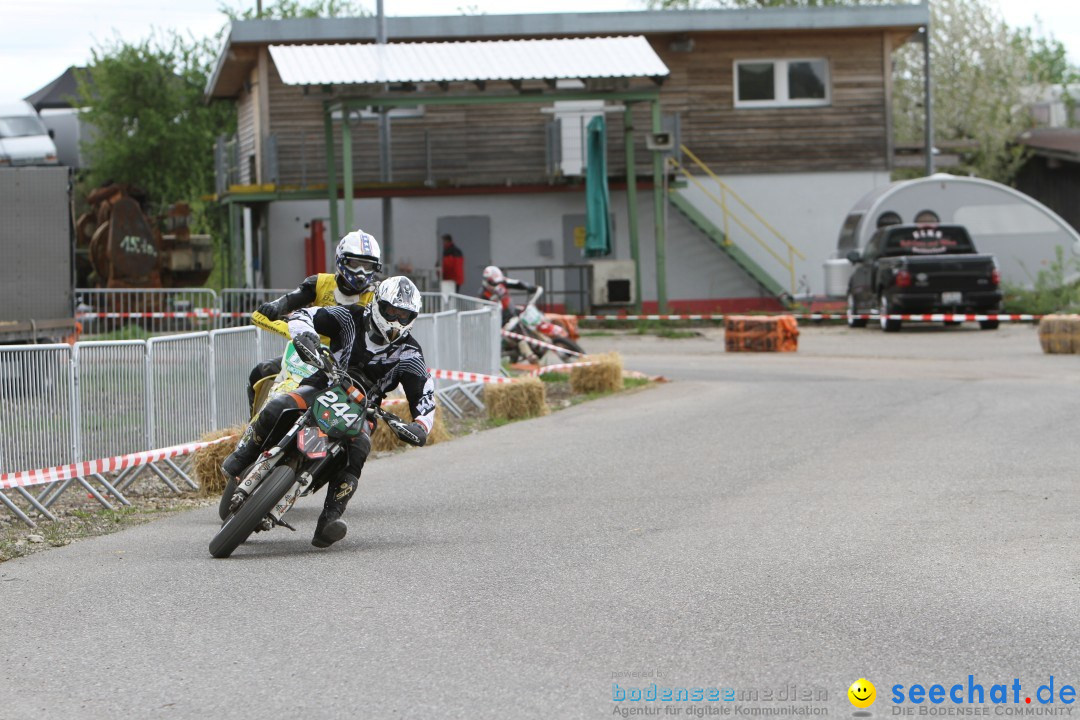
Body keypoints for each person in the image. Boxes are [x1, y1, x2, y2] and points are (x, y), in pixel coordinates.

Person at [221, 276, 434, 549]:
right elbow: (303, 314)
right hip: (324, 381)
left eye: (405, 315)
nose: (396, 320)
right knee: (278, 406)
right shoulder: (350, 317)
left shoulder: (411, 354)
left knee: (360, 448)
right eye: (392, 311)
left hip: (363, 409)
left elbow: (425, 398)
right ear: (378, 304)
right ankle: (242, 456)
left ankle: (329, 520)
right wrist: (306, 336)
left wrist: (420, 426)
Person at [245, 229, 382, 411]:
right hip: (307, 353)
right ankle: (255, 428)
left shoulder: (379, 296)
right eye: (355, 263)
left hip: (349, 365)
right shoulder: (319, 283)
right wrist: (274, 308)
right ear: (341, 259)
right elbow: (286, 301)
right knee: (260, 371)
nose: (360, 271)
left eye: (367, 266)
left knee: (367, 401)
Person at [480, 265, 540, 364]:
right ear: (487, 281)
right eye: (493, 282)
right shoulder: (483, 295)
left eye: (498, 282)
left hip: (513, 311)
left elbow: (516, 283)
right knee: (516, 331)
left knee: (529, 316)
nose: (497, 284)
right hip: (501, 322)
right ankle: (529, 354)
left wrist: (530, 287)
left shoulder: (502, 282)